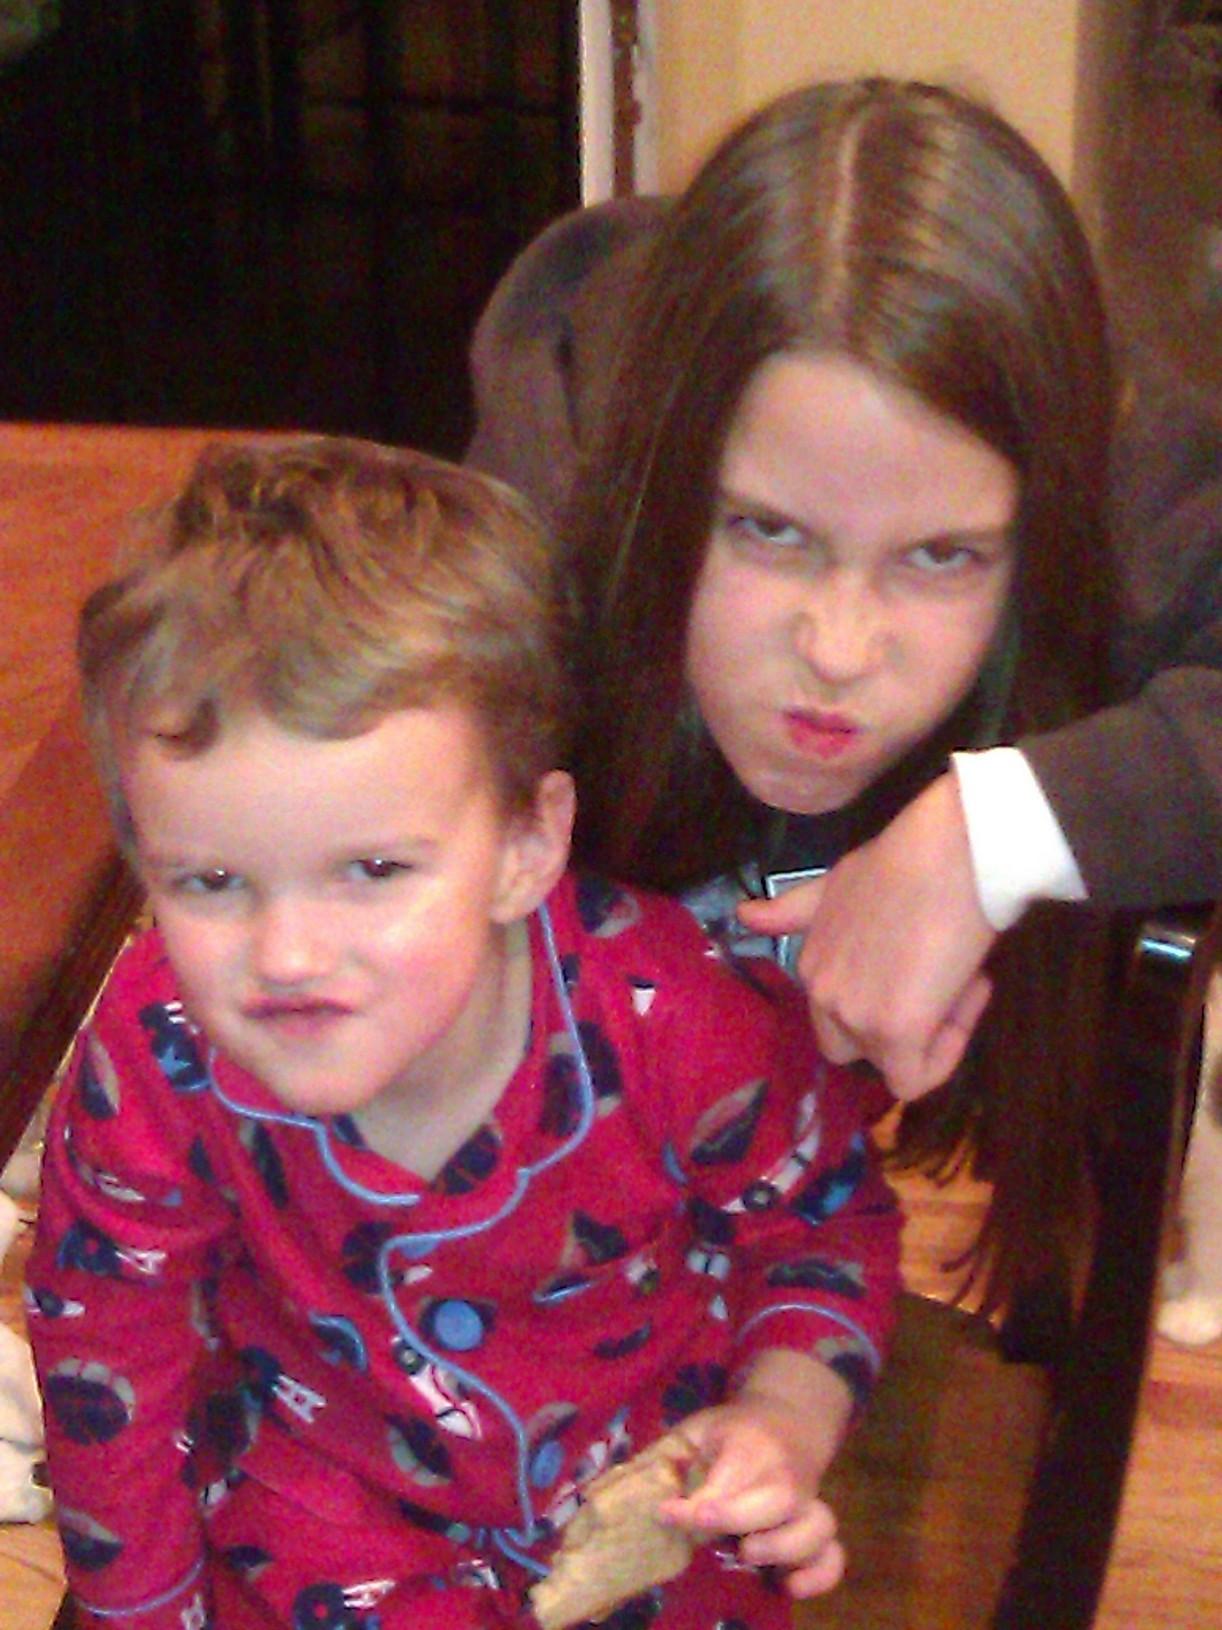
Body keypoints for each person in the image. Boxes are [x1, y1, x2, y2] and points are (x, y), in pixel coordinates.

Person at [26, 438, 900, 1630]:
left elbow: (826, 1229)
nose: (287, 952)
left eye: (374, 869)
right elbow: (104, 1349)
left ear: (526, 847)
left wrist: (784, 1421)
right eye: (211, 880)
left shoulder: (674, 1016)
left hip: (656, 1509)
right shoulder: (156, 1048)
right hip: (318, 1526)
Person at [465, 76, 1222, 1315]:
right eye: (766, 530)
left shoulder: (1123, 474)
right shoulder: (546, 511)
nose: (838, 647)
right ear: (663, 477)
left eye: (943, 555)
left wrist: (994, 830)